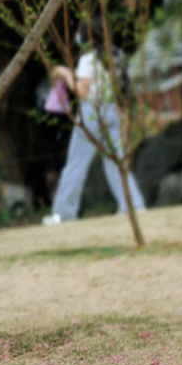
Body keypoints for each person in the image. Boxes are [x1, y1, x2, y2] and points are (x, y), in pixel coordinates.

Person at [42, 26, 145, 223]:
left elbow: (83, 90)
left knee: (76, 163)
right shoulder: (117, 55)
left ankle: (64, 213)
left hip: (92, 112)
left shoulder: (89, 59)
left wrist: (65, 73)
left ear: (88, 38)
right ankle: (133, 205)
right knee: (116, 161)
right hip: (114, 110)